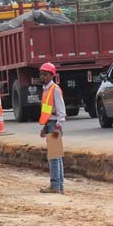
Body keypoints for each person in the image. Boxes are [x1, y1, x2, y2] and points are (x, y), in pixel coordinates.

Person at [38, 62, 65, 194]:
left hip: (54, 125)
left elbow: (61, 111)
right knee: (55, 156)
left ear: (51, 75)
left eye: (45, 74)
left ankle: (56, 186)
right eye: (41, 74)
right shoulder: (46, 90)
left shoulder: (54, 89)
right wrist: (45, 127)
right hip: (50, 124)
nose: (42, 77)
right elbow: (47, 111)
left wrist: (57, 127)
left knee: (54, 157)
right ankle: (58, 186)